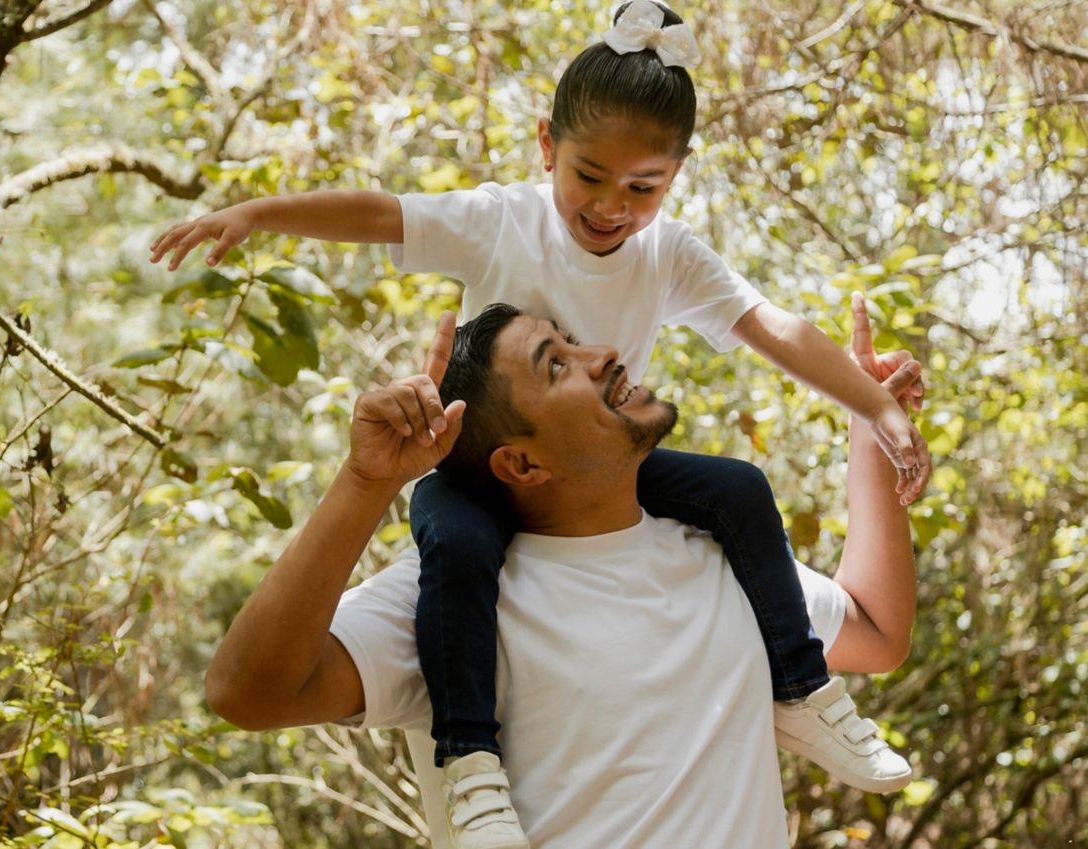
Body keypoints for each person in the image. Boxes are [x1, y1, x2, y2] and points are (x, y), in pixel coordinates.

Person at [157, 3, 930, 846]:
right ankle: (469, 757)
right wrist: (257, 215)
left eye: (642, 187)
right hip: (476, 469)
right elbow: (381, 213)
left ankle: (802, 689)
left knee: (739, 487)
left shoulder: (668, 262)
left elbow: (772, 326)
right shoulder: (501, 221)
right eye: (588, 176)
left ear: (675, 174)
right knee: (453, 542)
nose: (609, 206)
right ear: (545, 146)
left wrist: (874, 408)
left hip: (603, 472)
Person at [206, 300, 922, 849]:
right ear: (520, 463)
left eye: (573, 341)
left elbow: (878, 632)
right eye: (555, 364)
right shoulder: (455, 597)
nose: (603, 354)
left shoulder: (723, 550)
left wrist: (869, 428)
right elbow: (248, 691)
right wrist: (365, 483)